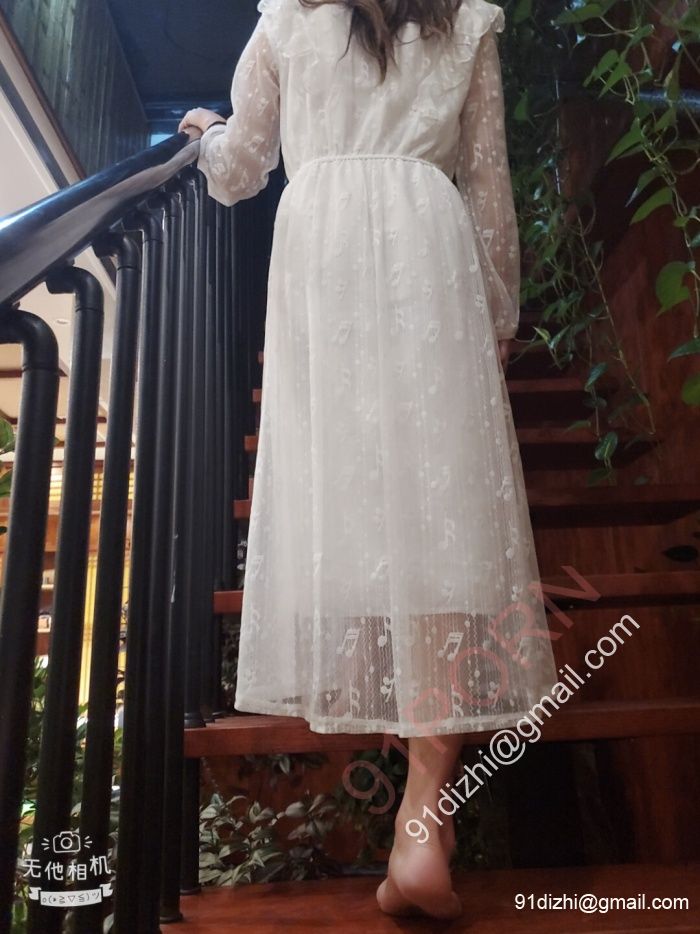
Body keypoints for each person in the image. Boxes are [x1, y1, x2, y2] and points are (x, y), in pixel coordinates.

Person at [179, 0, 558, 919]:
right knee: (440, 518)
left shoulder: (285, 19)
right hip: (431, 247)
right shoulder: (467, 20)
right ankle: (424, 817)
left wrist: (203, 136)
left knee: (351, 503)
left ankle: (420, 819)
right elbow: (488, 180)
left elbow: (242, 167)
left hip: (325, 256)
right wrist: (498, 313)